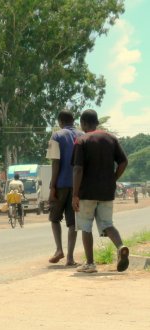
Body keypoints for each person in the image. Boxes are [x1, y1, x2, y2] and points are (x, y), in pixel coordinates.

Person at [72, 109, 129, 273]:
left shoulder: (81, 140)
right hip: (106, 191)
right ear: (97, 122)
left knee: (86, 227)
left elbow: (77, 169)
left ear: (83, 124)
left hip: (86, 192)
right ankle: (121, 246)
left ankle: (90, 264)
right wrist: (113, 179)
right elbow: (124, 162)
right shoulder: (111, 138)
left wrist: (75, 194)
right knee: (107, 224)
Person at [45, 110, 83, 266]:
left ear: (60, 121)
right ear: (73, 121)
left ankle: (59, 249)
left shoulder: (56, 136)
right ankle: (70, 258)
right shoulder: (83, 135)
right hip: (78, 187)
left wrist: (52, 186)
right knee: (73, 222)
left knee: (54, 218)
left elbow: (55, 163)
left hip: (60, 184)